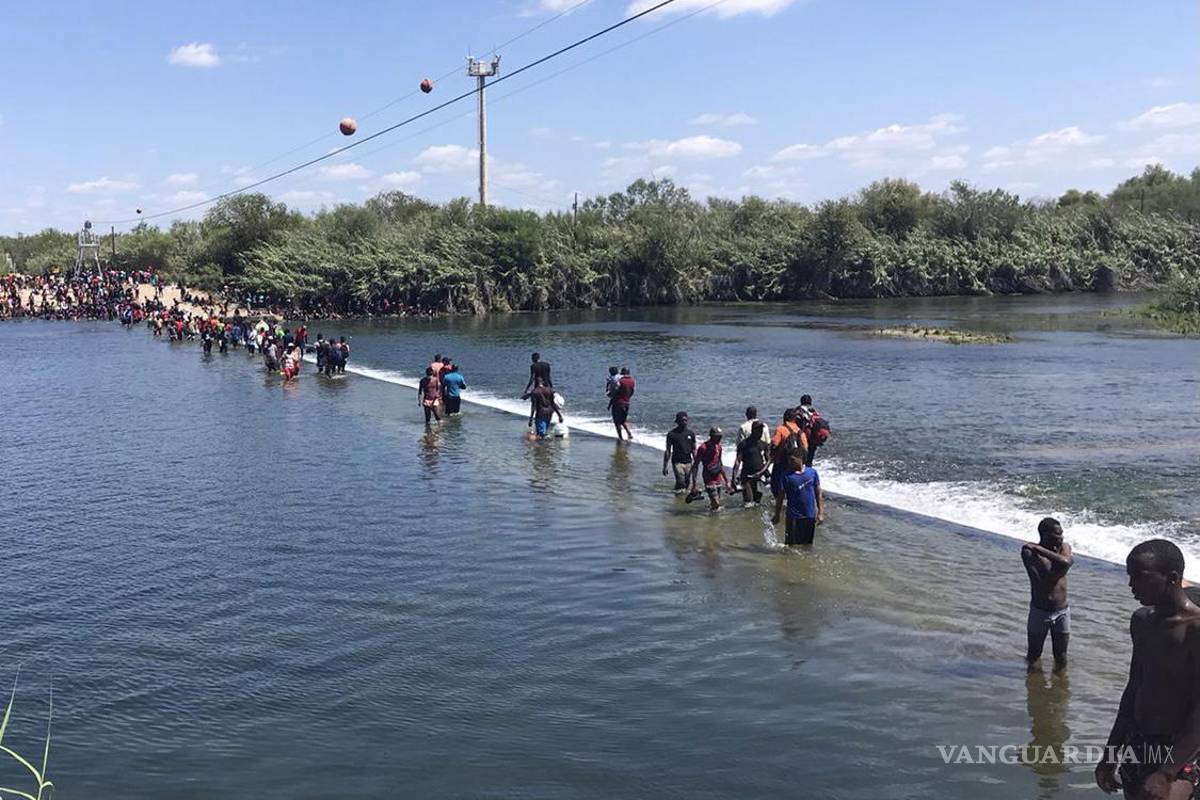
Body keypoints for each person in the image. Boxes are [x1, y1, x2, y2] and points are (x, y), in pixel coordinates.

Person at [1095, 539, 1200, 799]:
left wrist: (1167, 772)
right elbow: (1133, 690)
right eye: (1129, 576)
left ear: (1172, 577)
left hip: (1182, 749)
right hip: (1139, 742)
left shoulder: (1194, 630)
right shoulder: (1142, 621)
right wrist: (1111, 755)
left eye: (1139, 577)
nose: (1131, 585)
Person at [1022, 517, 1074, 672]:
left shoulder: (1064, 547)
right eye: (1057, 535)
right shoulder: (1028, 553)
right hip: (1040, 611)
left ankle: (1061, 686)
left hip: (1062, 611)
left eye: (1062, 534)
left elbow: (1065, 562)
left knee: (1061, 656)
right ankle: (1033, 687)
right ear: (1044, 535)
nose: (1061, 538)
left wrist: (1040, 550)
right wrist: (1039, 551)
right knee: (1034, 655)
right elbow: (1046, 578)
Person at [771, 454, 824, 545]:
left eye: (792, 460)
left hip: (810, 515)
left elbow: (818, 493)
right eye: (789, 460)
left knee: (807, 545)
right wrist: (777, 514)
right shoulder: (786, 476)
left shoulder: (812, 473)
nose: (790, 462)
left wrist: (820, 512)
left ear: (801, 458)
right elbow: (780, 497)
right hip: (793, 516)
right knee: (790, 545)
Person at [690, 427, 730, 511]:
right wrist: (694, 483)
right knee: (716, 502)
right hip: (708, 477)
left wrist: (727, 481)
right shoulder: (703, 448)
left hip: (718, 476)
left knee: (715, 504)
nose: (719, 439)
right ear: (711, 436)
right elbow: (696, 465)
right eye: (717, 437)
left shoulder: (719, 447)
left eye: (720, 437)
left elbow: (720, 463)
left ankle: (712, 518)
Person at [769, 408, 806, 497]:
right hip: (796, 463)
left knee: (776, 485)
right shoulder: (800, 432)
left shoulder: (781, 429)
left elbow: (774, 444)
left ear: (785, 417)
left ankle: (778, 502)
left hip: (781, 462)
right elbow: (805, 448)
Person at [732, 420, 770, 506]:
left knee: (758, 502)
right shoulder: (743, 444)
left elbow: (768, 461)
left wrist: (761, 473)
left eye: (761, 431)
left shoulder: (763, 444)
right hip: (747, 476)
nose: (761, 433)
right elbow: (738, 461)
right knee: (748, 503)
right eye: (759, 430)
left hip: (759, 477)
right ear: (753, 430)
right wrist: (733, 478)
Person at [662, 412, 697, 493]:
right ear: (677, 421)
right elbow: (668, 450)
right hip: (677, 461)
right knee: (680, 480)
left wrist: (696, 461)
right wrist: (665, 466)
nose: (684, 422)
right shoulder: (671, 434)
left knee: (687, 481)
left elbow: (694, 449)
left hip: (688, 461)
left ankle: (679, 494)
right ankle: (678, 498)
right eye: (682, 420)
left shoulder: (691, 434)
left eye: (685, 420)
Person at [797, 394, 831, 467]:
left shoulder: (799, 410)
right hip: (814, 438)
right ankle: (809, 474)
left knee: (800, 459)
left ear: (801, 401)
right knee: (809, 459)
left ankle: (800, 474)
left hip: (804, 438)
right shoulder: (814, 411)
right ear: (810, 402)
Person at [609, 366, 636, 441]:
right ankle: (629, 434)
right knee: (623, 420)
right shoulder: (632, 381)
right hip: (627, 403)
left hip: (618, 403)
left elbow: (615, 392)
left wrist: (610, 396)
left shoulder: (620, 381)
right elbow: (632, 392)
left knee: (616, 421)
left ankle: (620, 438)